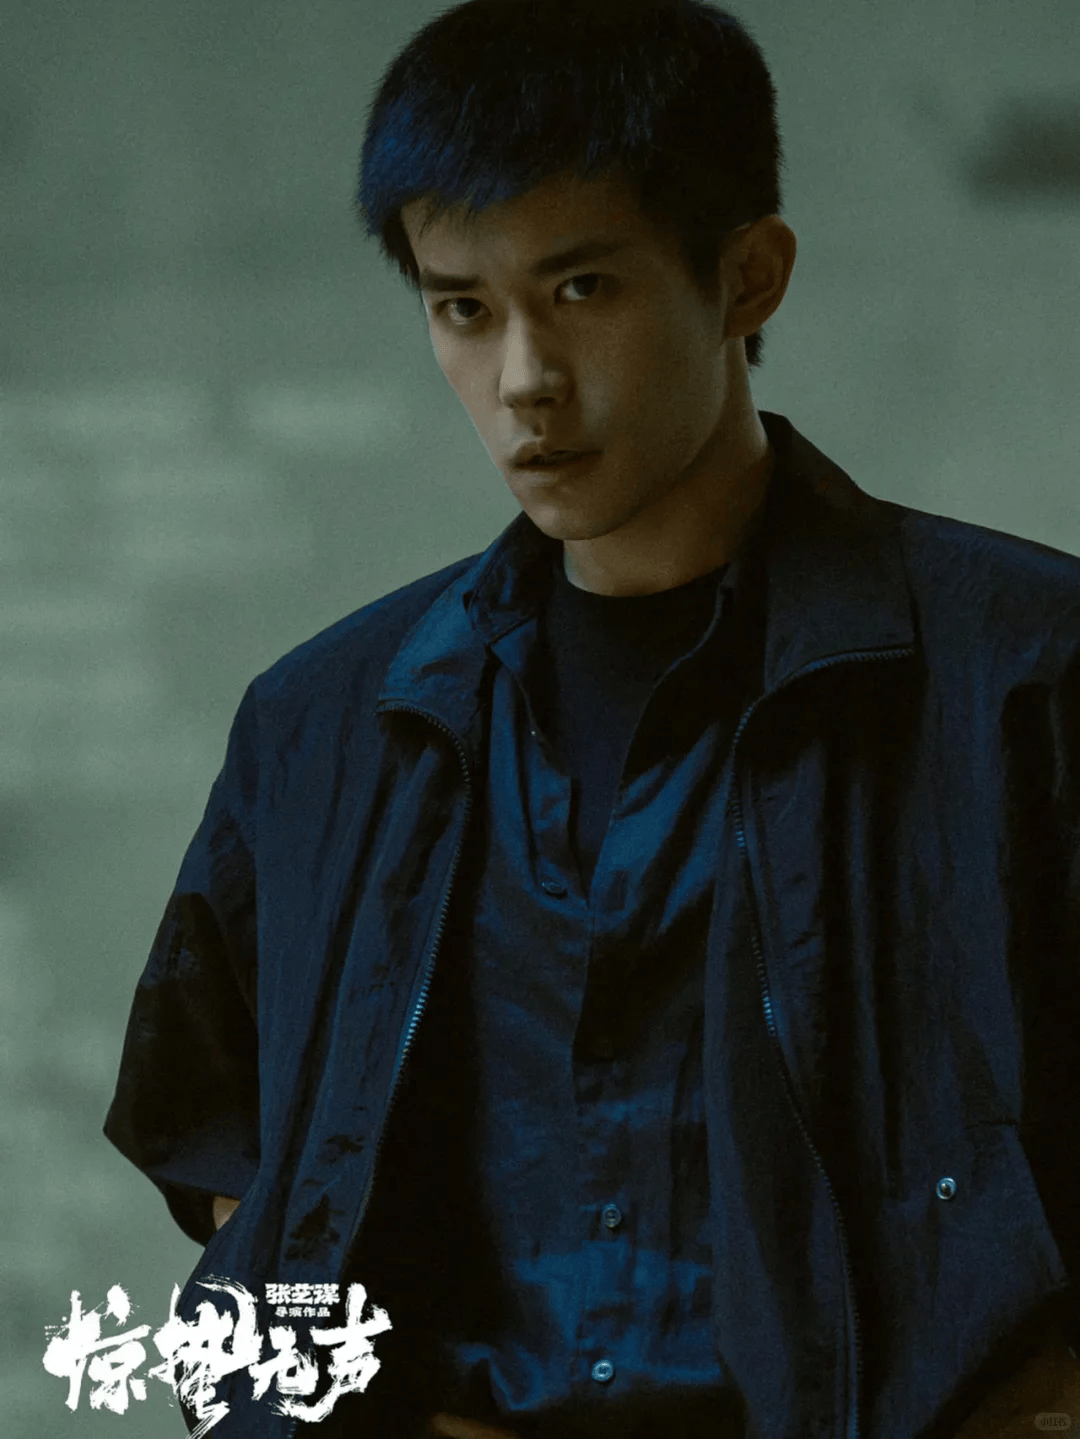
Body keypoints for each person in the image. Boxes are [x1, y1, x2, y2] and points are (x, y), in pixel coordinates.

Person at [103, 2, 1080, 1436]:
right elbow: (226, 1148)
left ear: (747, 276)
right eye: (463, 307)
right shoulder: (327, 724)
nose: (524, 381)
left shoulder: (1025, 676)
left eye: (582, 289)